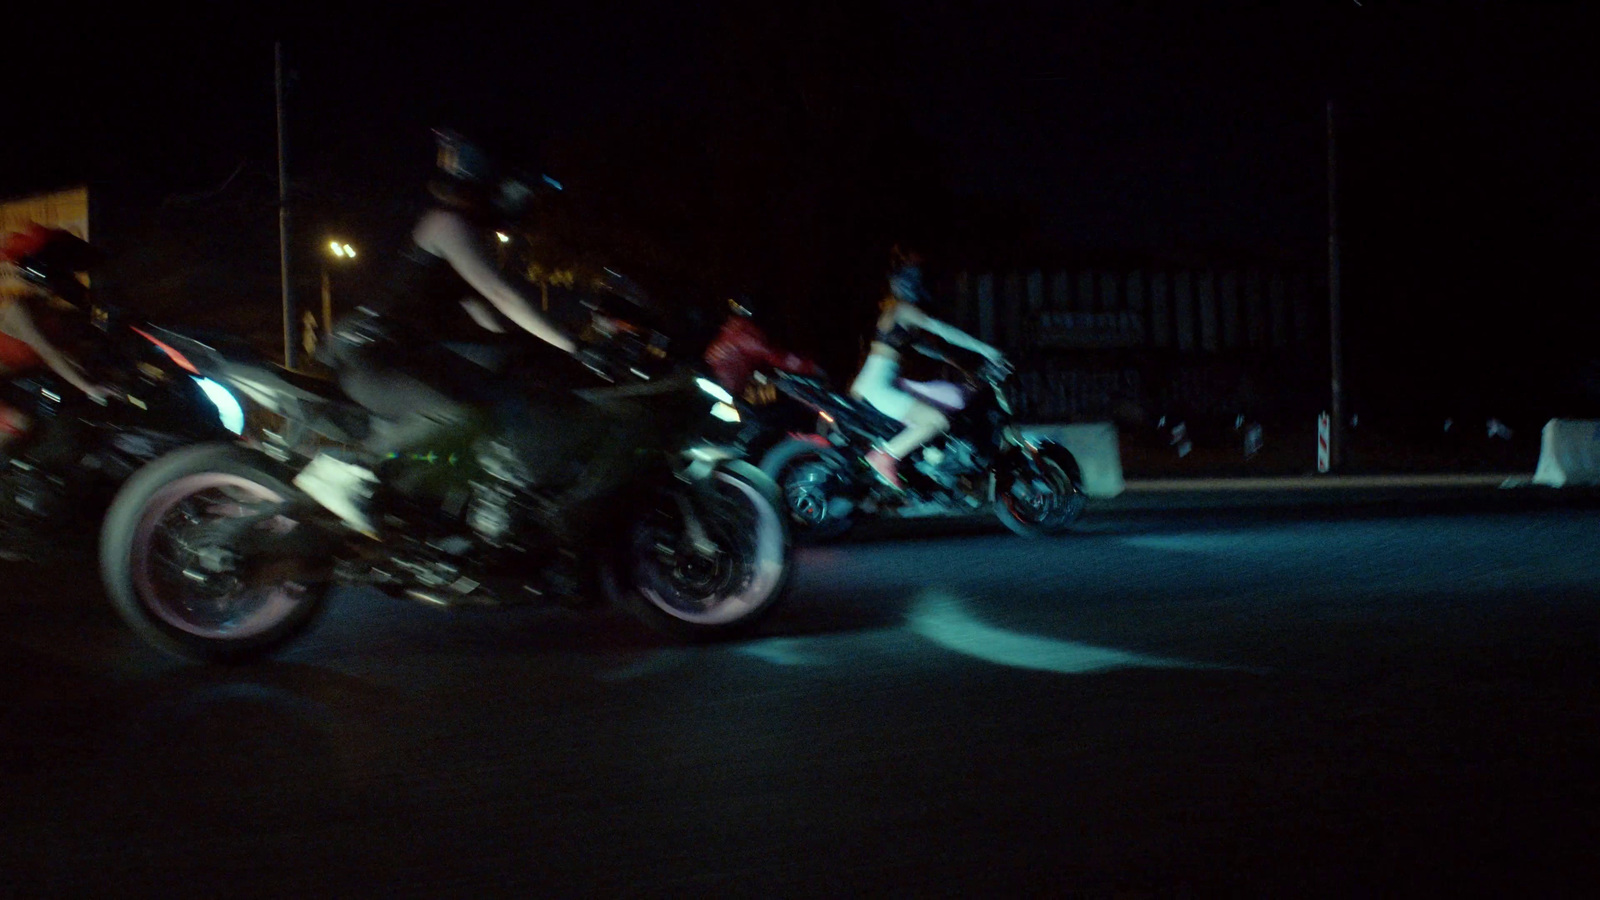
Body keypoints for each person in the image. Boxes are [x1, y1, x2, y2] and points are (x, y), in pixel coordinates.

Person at [292, 129, 580, 537]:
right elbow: (501, 294)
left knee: (496, 387)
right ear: (494, 182)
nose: (523, 201)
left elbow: (486, 313)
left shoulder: (464, 232)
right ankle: (346, 472)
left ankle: (463, 506)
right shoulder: (446, 223)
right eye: (518, 190)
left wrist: (537, 346)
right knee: (452, 414)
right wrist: (571, 344)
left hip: (396, 356)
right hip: (369, 355)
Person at [848, 247, 1005, 489]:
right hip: (878, 387)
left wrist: (959, 364)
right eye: (915, 277)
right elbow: (942, 330)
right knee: (936, 421)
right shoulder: (901, 309)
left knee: (934, 410)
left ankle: (927, 469)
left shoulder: (897, 316)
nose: (919, 283)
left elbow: (926, 347)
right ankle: (884, 457)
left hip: (874, 383)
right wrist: (986, 349)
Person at [0, 224, 110, 457]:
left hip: (24, 384)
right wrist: (90, 388)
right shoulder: (19, 310)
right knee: (20, 426)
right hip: (8, 394)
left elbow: (79, 346)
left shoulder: (58, 308)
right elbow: (50, 353)